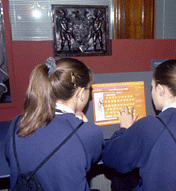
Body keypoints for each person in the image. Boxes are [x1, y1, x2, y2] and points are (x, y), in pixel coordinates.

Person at [102, 59, 176, 190]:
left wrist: (125, 129)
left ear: (160, 90)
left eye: (152, 87)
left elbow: (110, 158)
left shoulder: (150, 125)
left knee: (120, 178)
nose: (151, 93)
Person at [5, 57, 104, 190]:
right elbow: (95, 156)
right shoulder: (88, 133)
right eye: (88, 90)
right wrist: (82, 126)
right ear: (80, 93)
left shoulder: (17, 123)